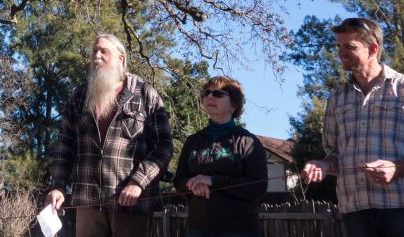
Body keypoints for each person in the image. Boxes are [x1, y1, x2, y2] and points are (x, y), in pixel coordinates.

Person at [301, 17, 404, 237]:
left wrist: (397, 168)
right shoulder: (336, 99)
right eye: (339, 46)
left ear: (373, 48)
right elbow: (335, 155)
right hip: (354, 210)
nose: (341, 53)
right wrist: (322, 165)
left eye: (349, 46)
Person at [46, 33, 173, 237]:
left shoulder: (145, 94)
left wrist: (138, 182)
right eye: (94, 52)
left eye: (104, 51)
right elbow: (64, 147)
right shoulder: (79, 96)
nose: (96, 56)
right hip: (88, 203)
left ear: (121, 58)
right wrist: (58, 186)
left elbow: (164, 147)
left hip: (131, 203)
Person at [173, 76, 268, 237]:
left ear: (234, 105)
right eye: (207, 93)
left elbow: (258, 186)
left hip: (240, 230)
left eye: (218, 94)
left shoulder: (248, 142)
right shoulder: (193, 141)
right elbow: (178, 181)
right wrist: (194, 184)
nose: (209, 96)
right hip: (197, 228)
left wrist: (213, 181)